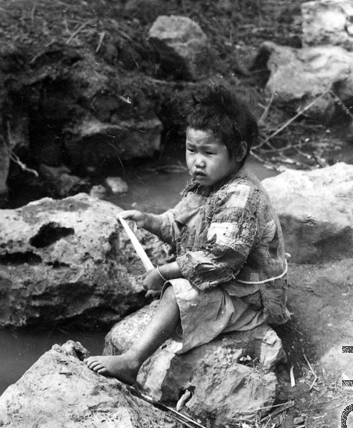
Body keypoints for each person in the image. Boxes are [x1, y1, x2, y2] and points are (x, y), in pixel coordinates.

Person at [86, 86, 289, 383]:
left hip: (248, 294)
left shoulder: (241, 195)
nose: (197, 161)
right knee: (175, 285)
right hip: (228, 279)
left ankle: (132, 361)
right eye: (191, 150)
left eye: (209, 152)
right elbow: (181, 222)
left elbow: (218, 259)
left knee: (175, 291)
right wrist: (151, 221)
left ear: (240, 153)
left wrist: (165, 272)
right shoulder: (208, 181)